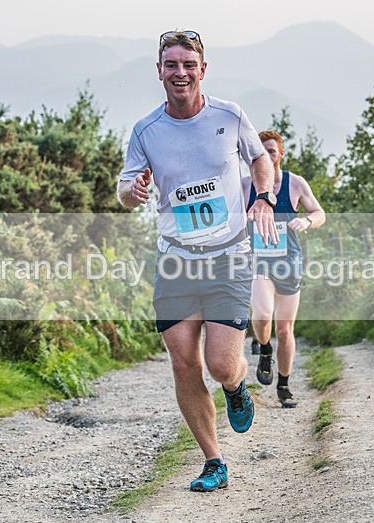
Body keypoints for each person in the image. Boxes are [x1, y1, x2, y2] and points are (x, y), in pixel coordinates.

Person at [116, 30, 277, 492]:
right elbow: (124, 188)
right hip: (176, 260)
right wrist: (133, 190)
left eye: (189, 64)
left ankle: (235, 386)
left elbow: (259, 160)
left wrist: (263, 197)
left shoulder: (230, 114)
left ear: (203, 69)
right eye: (171, 64)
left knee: (221, 364)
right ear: (159, 71)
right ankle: (213, 460)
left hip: (228, 257)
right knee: (183, 363)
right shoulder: (145, 130)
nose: (180, 72)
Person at [242, 130, 325, 408]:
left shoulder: (295, 183)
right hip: (259, 261)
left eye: (271, 151)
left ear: (280, 154)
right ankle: (265, 349)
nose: (267, 156)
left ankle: (284, 386)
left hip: (289, 262)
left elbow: (319, 213)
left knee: (286, 330)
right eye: (262, 151)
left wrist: (307, 221)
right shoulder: (246, 185)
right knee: (263, 314)